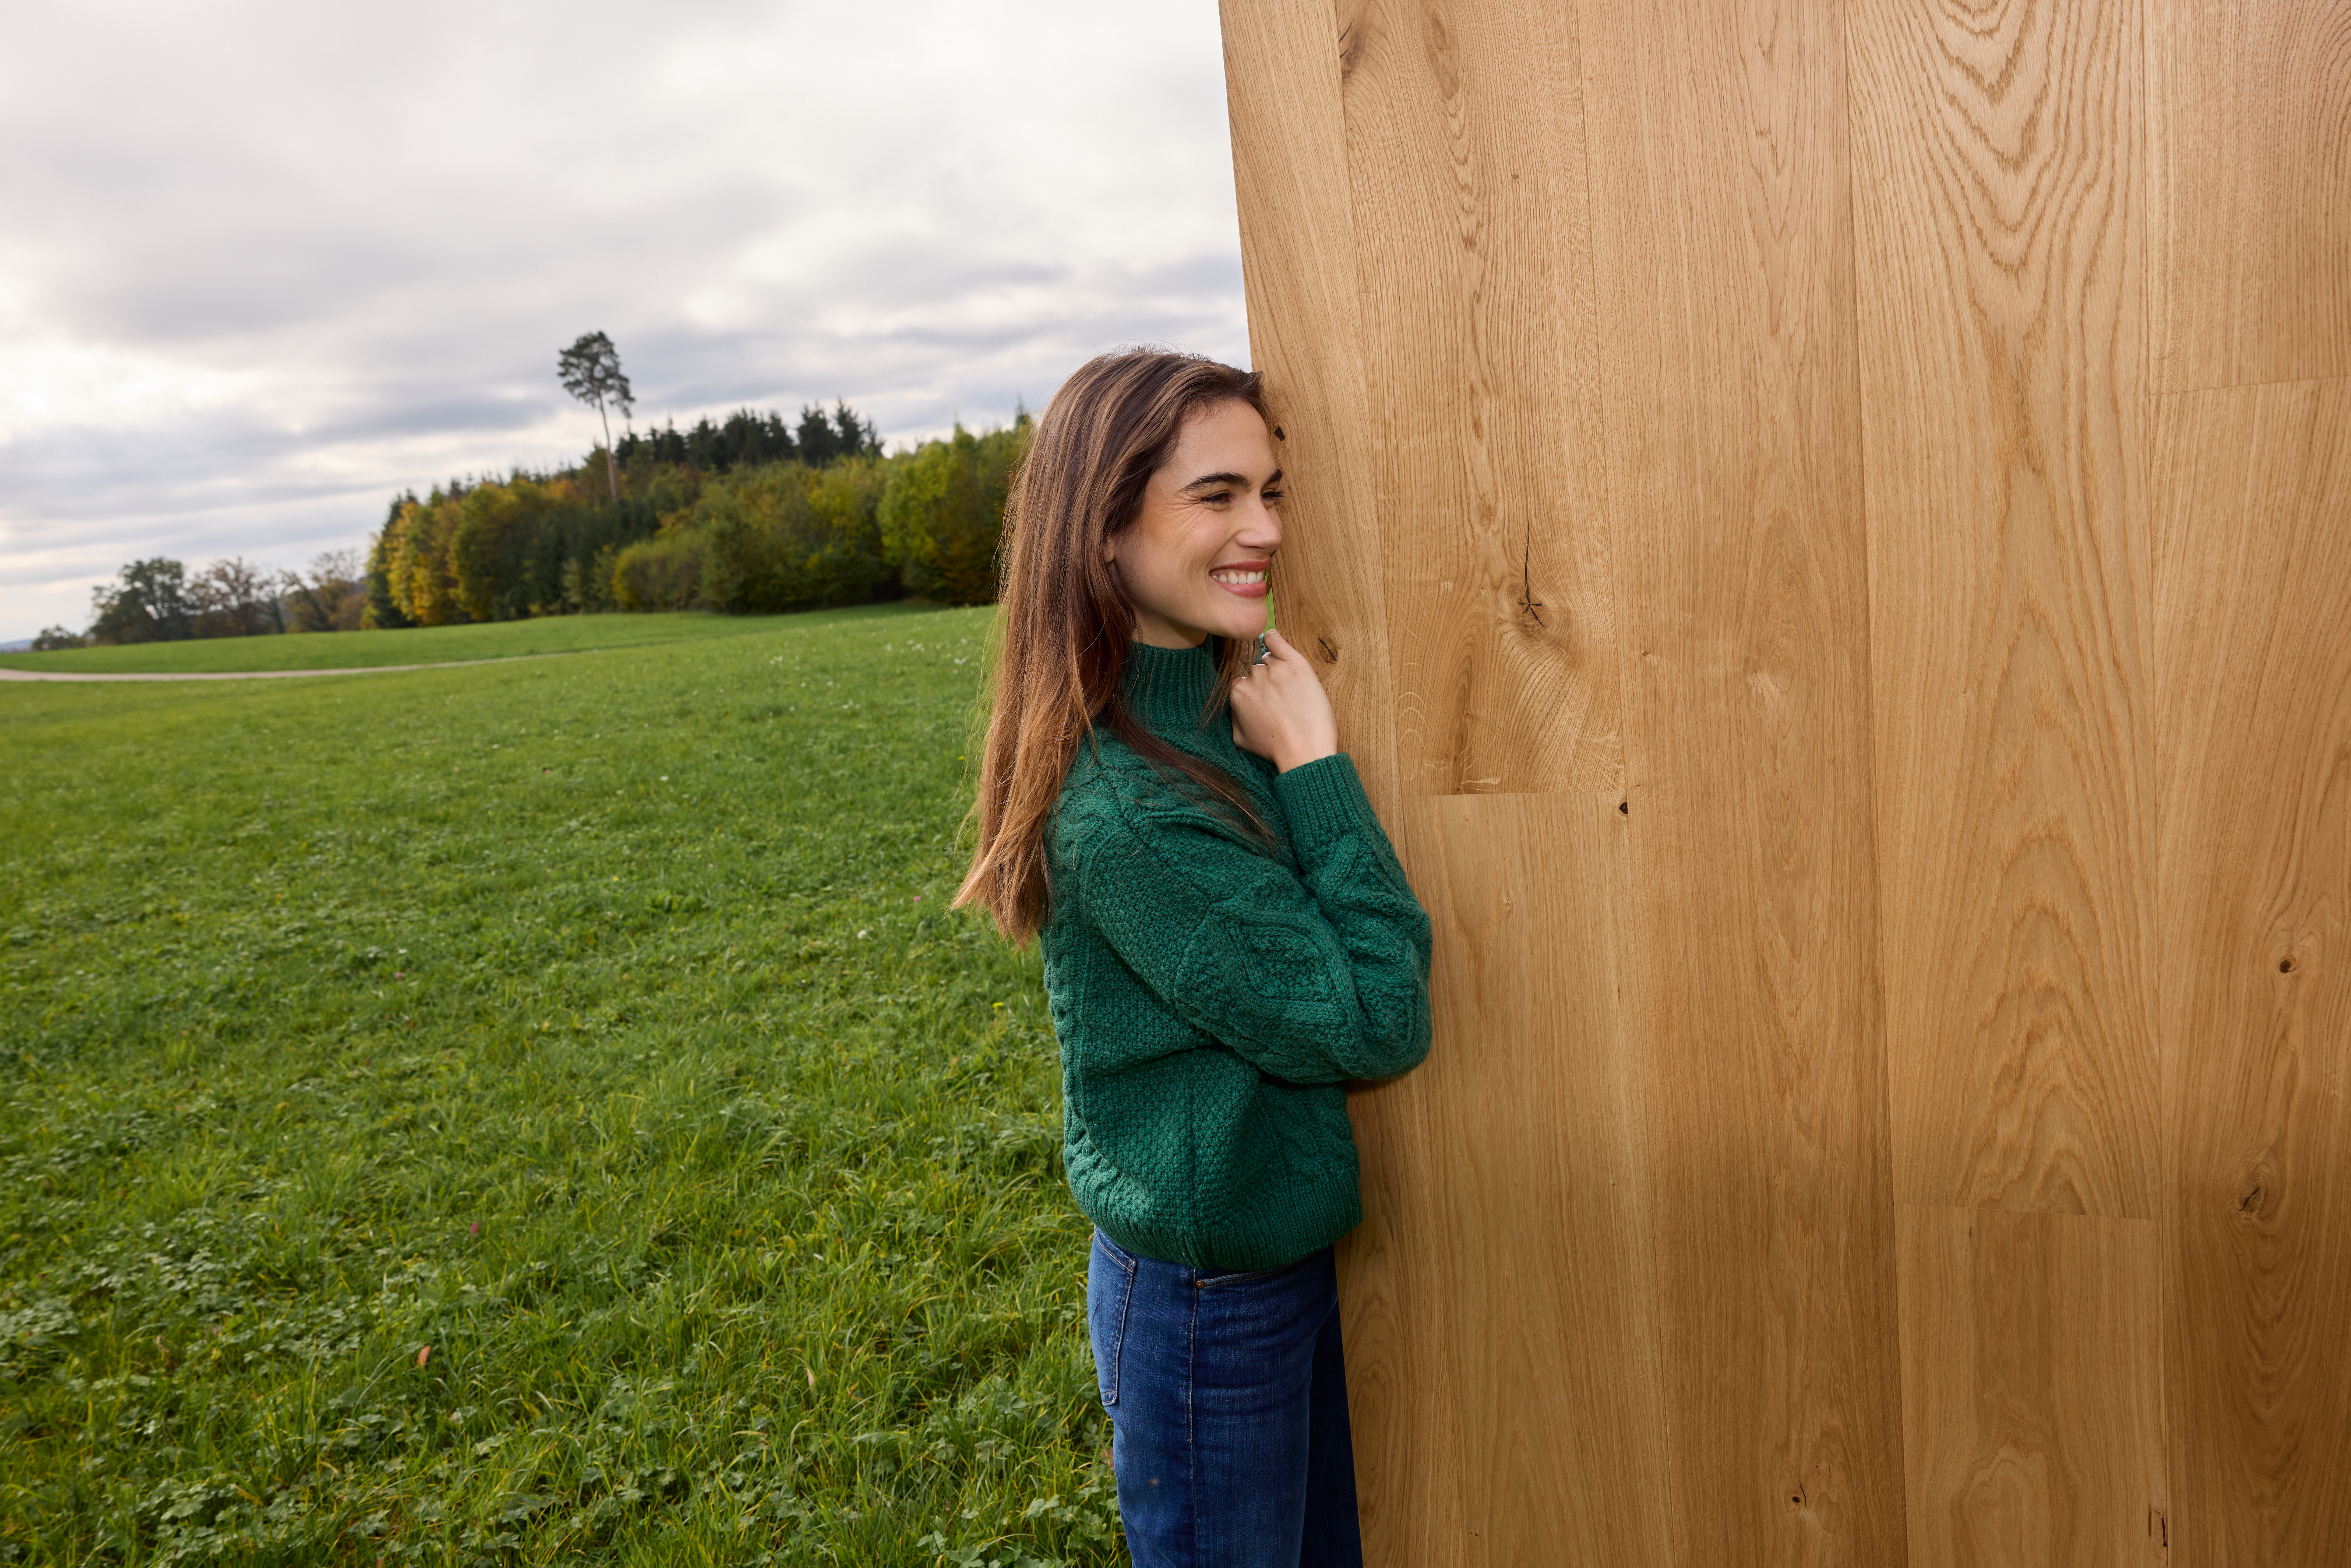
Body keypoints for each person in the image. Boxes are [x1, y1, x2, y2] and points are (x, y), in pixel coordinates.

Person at [955, 348, 1433, 1566]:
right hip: (1209, 1310)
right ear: (1103, 529)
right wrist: (1318, 774)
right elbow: (1375, 1019)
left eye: (1272, 492)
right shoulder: (1131, 815)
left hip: (1273, 1268)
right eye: (1216, 496)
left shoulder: (1213, 714)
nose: (1262, 528)